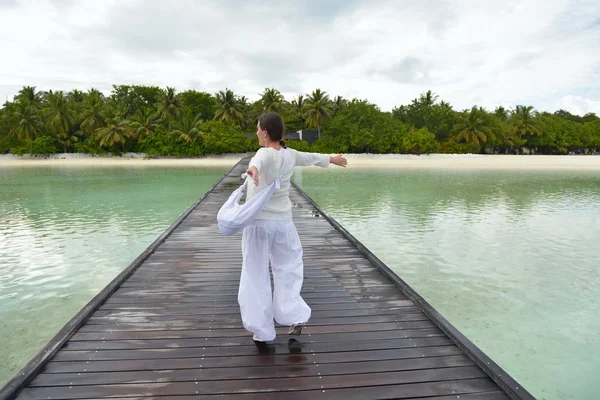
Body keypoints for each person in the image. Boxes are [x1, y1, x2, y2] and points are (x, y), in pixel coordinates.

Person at [238, 112, 347, 346]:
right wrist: (332, 158)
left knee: (255, 273)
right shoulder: (290, 155)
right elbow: (311, 158)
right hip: (284, 224)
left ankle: (262, 331)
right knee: (288, 269)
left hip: (260, 224)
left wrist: (254, 171)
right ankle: (294, 316)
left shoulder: (264, 152)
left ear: (265, 133)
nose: (257, 132)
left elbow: (258, 162)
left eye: (258, 129)